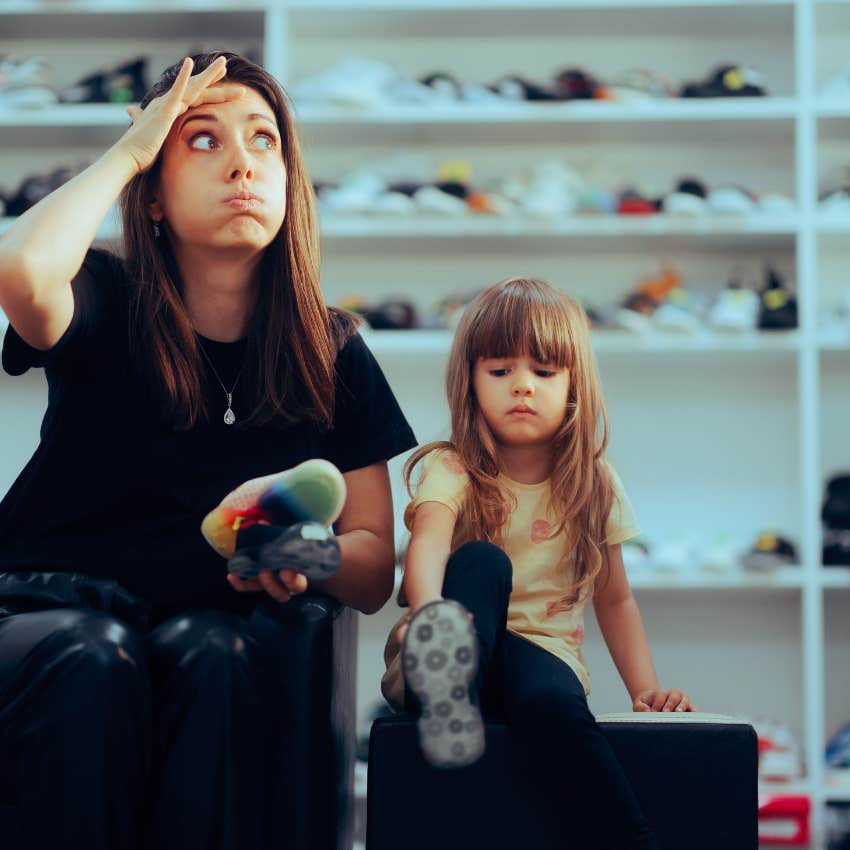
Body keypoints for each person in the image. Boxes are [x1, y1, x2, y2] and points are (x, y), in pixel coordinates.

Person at [0, 51, 416, 850]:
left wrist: (309, 553)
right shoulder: (100, 297)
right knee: (97, 656)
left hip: (206, 625)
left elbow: (372, 568)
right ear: (152, 197)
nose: (241, 164)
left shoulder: (331, 352)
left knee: (215, 652)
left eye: (264, 141)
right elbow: (18, 269)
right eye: (202, 141)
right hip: (48, 610)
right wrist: (129, 152)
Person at [381, 277, 695, 850]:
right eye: (500, 372)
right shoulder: (452, 467)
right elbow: (426, 545)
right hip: (453, 657)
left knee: (549, 698)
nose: (521, 386)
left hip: (542, 660)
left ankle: (633, 841)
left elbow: (615, 597)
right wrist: (428, 615)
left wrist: (645, 690)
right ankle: (448, 682)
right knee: (480, 561)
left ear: (574, 384)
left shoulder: (594, 483)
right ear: (471, 383)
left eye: (543, 373)